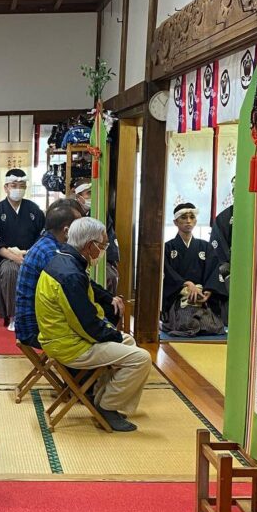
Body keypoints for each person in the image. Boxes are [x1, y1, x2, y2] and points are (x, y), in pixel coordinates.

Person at [36, 217, 152, 432]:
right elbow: (86, 324)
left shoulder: (64, 260)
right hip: (70, 345)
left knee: (129, 341)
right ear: (90, 246)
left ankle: (100, 396)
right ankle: (108, 407)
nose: (103, 250)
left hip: (64, 337)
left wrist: (114, 329)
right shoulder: (69, 274)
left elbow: (88, 300)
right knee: (141, 359)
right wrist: (113, 334)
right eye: (103, 246)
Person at [14, 199, 89, 348]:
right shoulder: (51, 252)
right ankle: (85, 369)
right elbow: (71, 290)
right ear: (66, 229)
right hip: (35, 330)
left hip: (38, 323)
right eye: (79, 225)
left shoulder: (52, 244)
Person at [0, 168, 46, 330]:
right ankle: (14, 316)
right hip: (6, 257)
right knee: (11, 270)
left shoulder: (34, 210)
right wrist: (16, 258)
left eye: (22, 185)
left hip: (31, 255)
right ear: (6, 187)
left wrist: (29, 256)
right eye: (14, 185)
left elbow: (42, 237)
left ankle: (40, 315)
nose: (18, 188)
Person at [161, 203, 226, 337]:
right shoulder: (168, 248)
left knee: (215, 327)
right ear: (175, 222)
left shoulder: (205, 247)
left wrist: (208, 291)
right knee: (187, 323)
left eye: (192, 217)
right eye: (184, 217)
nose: (188, 221)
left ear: (195, 221)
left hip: (202, 297)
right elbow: (167, 273)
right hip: (180, 297)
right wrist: (187, 284)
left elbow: (214, 271)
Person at [74, 180, 121, 296]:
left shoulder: (100, 213)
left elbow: (106, 241)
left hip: (102, 258)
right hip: (79, 259)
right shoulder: (73, 213)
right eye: (88, 193)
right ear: (78, 197)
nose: (92, 196)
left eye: (93, 193)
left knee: (109, 276)